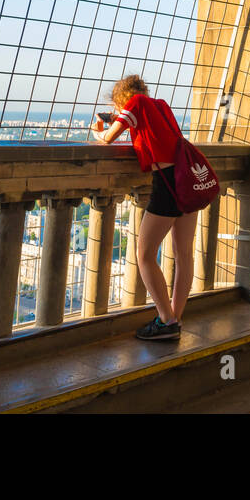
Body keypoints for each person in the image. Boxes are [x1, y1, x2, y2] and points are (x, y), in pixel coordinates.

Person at [92, 75, 196, 340]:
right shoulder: (160, 105)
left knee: (145, 253)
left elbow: (109, 138)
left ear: (120, 100)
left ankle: (166, 320)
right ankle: (175, 318)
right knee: (183, 254)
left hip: (167, 183)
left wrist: (98, 130)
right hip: (187, 181)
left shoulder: (136, 104)